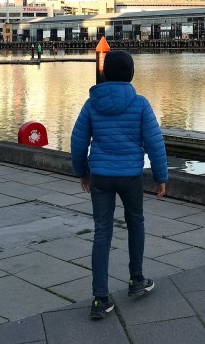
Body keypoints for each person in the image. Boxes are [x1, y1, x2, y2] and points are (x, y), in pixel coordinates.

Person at [70, 49, 168, 320]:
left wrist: (82, 172)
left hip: (100, 176)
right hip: (130, 176)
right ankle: (137, 279)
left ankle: (100, 298)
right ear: (131, 74)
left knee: (102, 231)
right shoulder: (140, 104)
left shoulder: (91, 104)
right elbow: (154, 143)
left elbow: (78, 141)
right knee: (136, 222)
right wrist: (161, 177)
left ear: (104, 73)